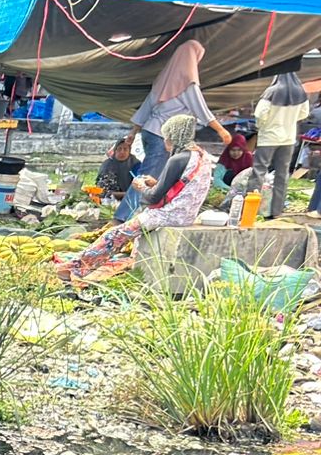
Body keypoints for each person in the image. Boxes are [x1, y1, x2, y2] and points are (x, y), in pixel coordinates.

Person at [59, 114, 213, 282]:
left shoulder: (177, 159)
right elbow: (182, 186)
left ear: (173, 137)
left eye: (166, 138)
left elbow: (153, 198)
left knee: (115, 235)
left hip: (169, 215)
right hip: (186, 214)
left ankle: (74, 269)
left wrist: (141, 187)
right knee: (127, 234)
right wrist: (155, 182)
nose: (165, 143)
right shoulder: (201, 156)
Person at [117, 41, 232, 221]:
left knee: (153, 177)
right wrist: (221, 131)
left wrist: (133, 132)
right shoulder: (188, 85)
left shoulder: (163, 80)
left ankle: (141, 213)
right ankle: (123, 217)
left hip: (149, 132)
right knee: (147, 178)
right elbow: (202, 110)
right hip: (163, 136)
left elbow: (145, 109)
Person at [252, 73, 310, 217]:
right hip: (288, 138)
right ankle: (276, 212)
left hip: (268, 138)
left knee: (259, 172)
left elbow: (260, 114)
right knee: (282, 174)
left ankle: (251, 210)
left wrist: (262, 126)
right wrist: (289, 121)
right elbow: (304, 113)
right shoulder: (300, 92)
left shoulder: (271, 91)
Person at [96, 134, 140, 205]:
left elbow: (141, 186)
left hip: (133, 200)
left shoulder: (135, 164)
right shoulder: (108, 165)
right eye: (119, 149)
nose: (122, 152)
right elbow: (102, 191)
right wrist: (124, 194)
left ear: (129, 151)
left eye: (125, 149)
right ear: (115, 151)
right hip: (110, 201)